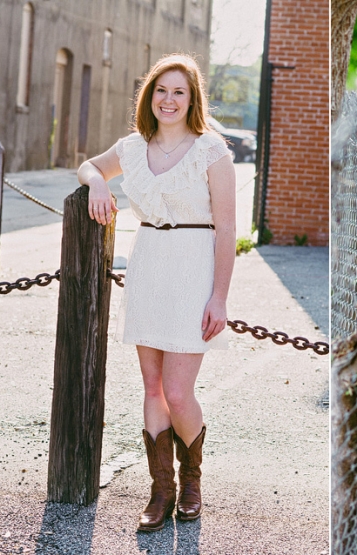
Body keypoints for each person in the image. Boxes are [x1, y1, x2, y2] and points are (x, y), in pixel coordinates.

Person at [77, 53, 236, 532]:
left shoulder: (213, 151)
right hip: (148, 265)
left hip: (194, 269)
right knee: (152, 387)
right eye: (161, 91)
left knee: (178, 390)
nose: (169, 100)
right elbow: (87, 166)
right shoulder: (131, 148)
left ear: (192, 100)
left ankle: (191, 482)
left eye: (179, 92)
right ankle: (160, 490)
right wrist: (96, 188)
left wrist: (219, 297)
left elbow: (227, 228)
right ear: (150, 97)